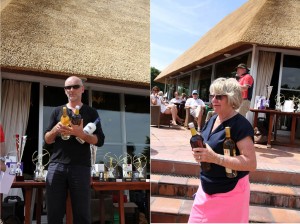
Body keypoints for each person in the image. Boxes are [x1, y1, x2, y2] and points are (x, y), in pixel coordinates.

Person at [188, 77, 257, 223]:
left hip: (230, 192)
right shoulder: (213, 119)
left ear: (231, 98)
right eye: (212, 95)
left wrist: (215, 158)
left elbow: (251, 163)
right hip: (206, 188)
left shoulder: (241, 125)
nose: (214, 100)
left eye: (219, 96)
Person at [44, 76, 105, 224]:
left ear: (82, 89)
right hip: (56, 165)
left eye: (75, 86)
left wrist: (80, 134)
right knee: (53, 213)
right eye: (68, 87)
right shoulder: (57, 111)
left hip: (80, 166)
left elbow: (100, 140)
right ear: (65, 91)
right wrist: (55, 130)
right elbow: (47, 140)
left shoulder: (91, 112)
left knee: (82, 213)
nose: (71, 90)